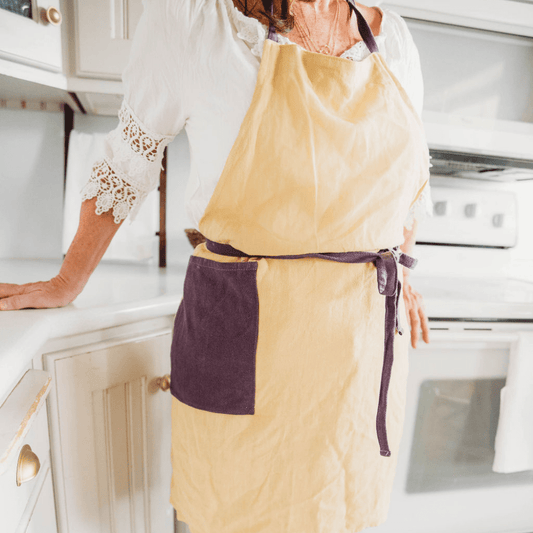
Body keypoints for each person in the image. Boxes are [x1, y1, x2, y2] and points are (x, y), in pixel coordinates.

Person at [0, 0, 431, 530]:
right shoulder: (193, 18)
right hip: (248, 342)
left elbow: (409, 187)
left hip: (359, 363)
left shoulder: (396, 39)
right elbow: (128, 161)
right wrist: (70, 278)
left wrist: (401, 272)